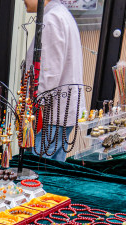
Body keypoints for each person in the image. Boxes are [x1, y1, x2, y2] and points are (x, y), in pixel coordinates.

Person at [23, 0, 85, 162]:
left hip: (51, 114)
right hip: (60, 112)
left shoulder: (52, 19)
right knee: (54, 167)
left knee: (39, 169)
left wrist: (34, 112)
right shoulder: (61, 15)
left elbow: (47, 73)